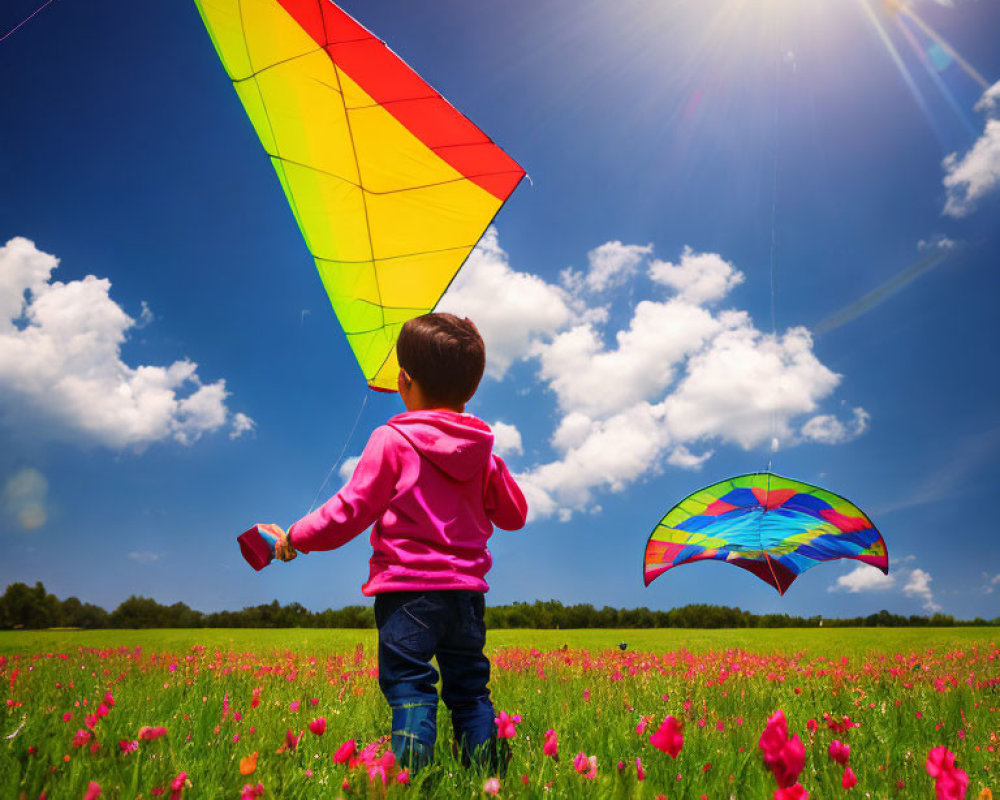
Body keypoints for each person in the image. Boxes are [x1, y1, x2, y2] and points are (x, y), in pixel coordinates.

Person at [272, 313, 528, 772]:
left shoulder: (391, 439)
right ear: (471, 389)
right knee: (470, 690)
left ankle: (410, 775)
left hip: (406, 593)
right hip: (466, 597)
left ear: (403, 381)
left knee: (410, 686)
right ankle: (490, 776)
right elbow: (514, 516)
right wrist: (492, 464)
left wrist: (296, 536)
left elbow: (350, 509)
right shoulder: (483, 447)